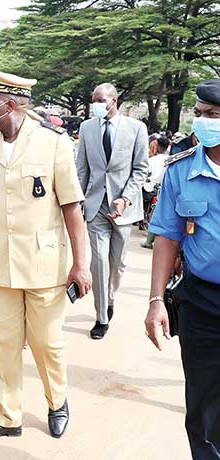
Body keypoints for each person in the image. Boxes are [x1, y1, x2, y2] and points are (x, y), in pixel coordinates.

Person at [0, 67, 91, 441]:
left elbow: (72, 207)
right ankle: (6, 415)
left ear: (9, 105)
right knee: (2, 343)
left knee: (47, 343)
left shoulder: (54, 144)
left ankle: (58, 401)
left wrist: (80, 265)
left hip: (44, 263)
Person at [145, 79, 220, 460]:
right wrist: (157, 300)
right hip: (202, 303)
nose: (202, 121)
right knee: (203, 408)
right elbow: (166, 239)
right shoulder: (180, 170)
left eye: (212, 115)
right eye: (200, 114)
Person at [76, 83, 150, 339]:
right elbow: (82, 170)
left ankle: (110, 298)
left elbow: (140, 169)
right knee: (98, 262)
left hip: (123, 209)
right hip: (95, 205)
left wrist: (125, 198)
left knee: (117, 263)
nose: (95, 104)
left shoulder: (136, 128)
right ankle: (101, 317)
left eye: (100, 100)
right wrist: (80, 201)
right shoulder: (86, 128)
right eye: (93, 99)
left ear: (114, 101)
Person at [141, 135, 170, 249]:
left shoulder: (151, 160)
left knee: (155, 215)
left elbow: (146, 175)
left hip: (150, 188)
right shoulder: (170, 160)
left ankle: (149, 241)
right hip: (161, 189)